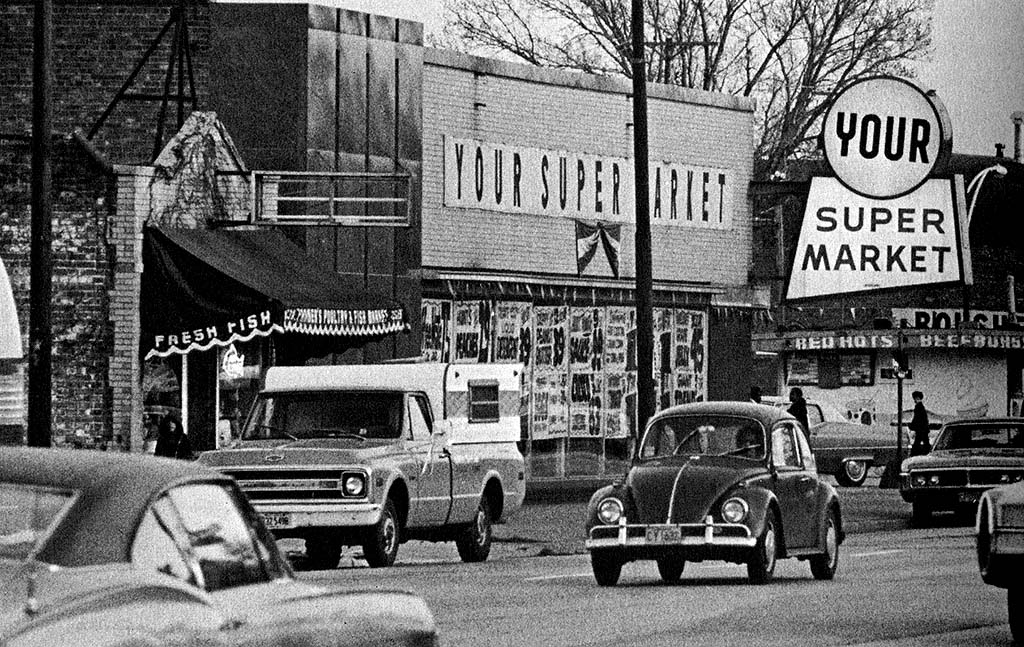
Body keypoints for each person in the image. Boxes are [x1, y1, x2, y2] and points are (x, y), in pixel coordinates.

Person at [909, 390, 931, 456]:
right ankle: (926, 453)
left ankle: (914, 454)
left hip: (921, 429)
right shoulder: (921, 407)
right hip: (923, 429)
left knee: (917, 443)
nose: (914, 400)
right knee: (925, 442)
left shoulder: (918, 407)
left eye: (915, 398)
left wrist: (912, 426)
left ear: (917, 398)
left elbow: (917, 418)